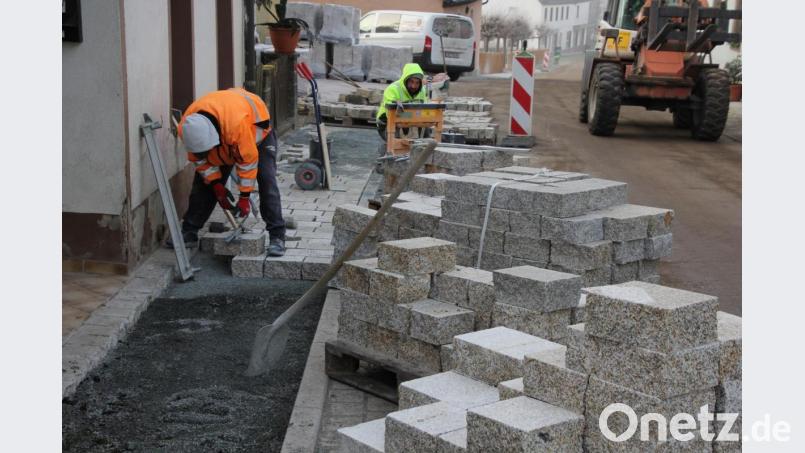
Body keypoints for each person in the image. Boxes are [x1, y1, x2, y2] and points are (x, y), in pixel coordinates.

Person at [169, 88, 286, 256]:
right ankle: (189, 231)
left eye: (206, 151)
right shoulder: (187, 127)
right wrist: (216, 185)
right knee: (204, 185)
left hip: (256, 135)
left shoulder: (236, 126)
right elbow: (199, 160)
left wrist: (244, 198)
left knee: (267, 180)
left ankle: (277, 236)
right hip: (224, 137)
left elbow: (247, 163)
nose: (204, 154)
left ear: (214, 139)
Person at [375, 63, 430, 141]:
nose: (414, 86)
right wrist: (396, 103)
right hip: (386, 123)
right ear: (406, 80)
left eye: (417, 83)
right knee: (396, 141)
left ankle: (425, 145)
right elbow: (389, 113)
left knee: (425, 124)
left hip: (409, 121)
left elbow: (424, 110)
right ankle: (394, 146)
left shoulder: (422, 91)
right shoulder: (393, 89)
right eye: (411, 82)